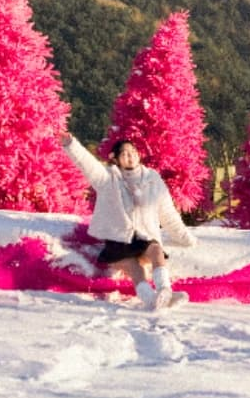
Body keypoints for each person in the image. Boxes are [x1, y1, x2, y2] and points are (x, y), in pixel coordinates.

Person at [61, 132, 197, 308]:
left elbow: (168, 213)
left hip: (144, 237)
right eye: (124, 153)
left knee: (156, 251)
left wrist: (185, 238)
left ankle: (165, 291)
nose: (130, 156)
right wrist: (71, 144)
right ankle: (150, 299)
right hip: (118, 241)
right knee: (135, 268)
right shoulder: (108, 179)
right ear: (116, 159)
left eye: (133, 151)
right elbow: (88, 165)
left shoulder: (153, 179)